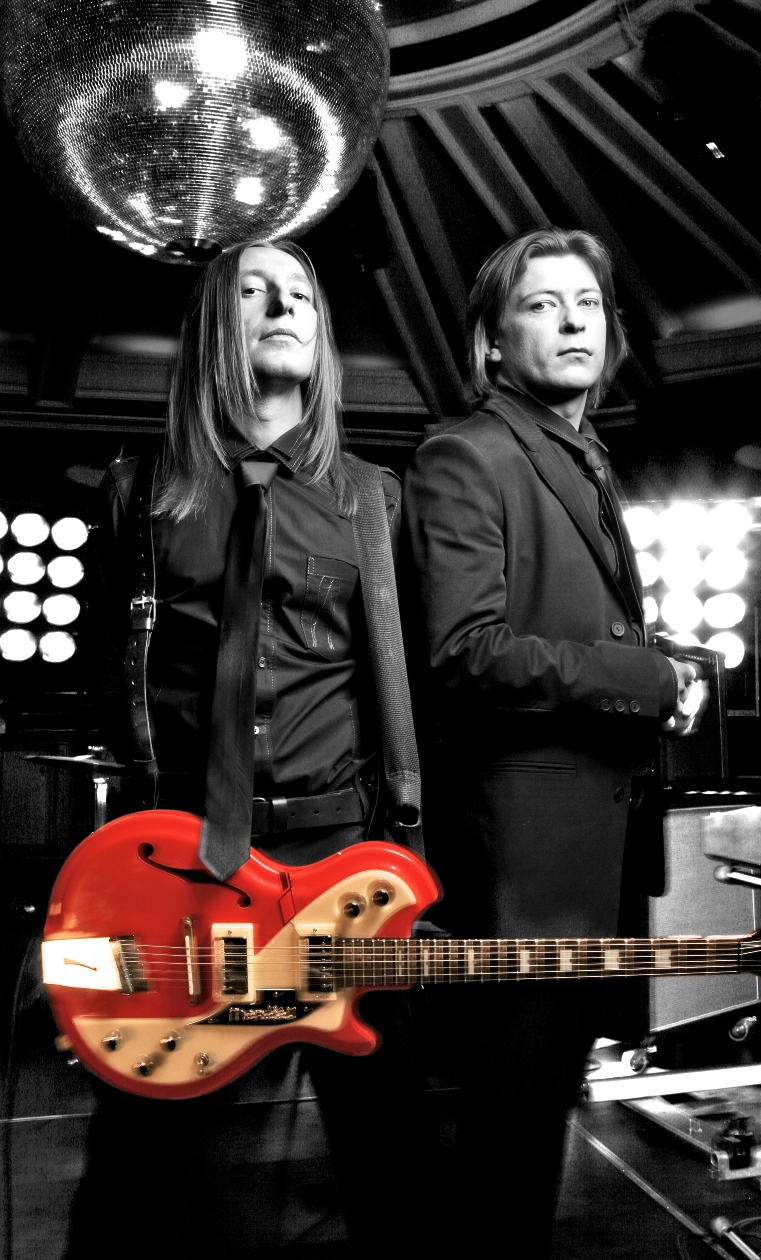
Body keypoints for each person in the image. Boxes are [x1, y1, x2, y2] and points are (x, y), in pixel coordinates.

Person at [69, 240, 426, 1259]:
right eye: (255, 291)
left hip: (342, 863)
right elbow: (108, 681)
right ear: (211, 332)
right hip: (180, 866)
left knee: (393, 1164)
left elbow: (405, 688)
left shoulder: (374, 498)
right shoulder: (137, 492)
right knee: (134, 1172)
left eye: (301, 293)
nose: (285, 306)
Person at [401, 227, 699, 1256]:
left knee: (534, 1129)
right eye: (542, 304)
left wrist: (665, 678)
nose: (575, 321)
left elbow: (576, 630)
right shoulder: (465, 453)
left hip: (582, 851)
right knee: (509, 1139)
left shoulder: (583, 453)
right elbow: (465, 653)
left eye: (589, 305)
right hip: (520, 864)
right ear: (491, 341)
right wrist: (644, 678)